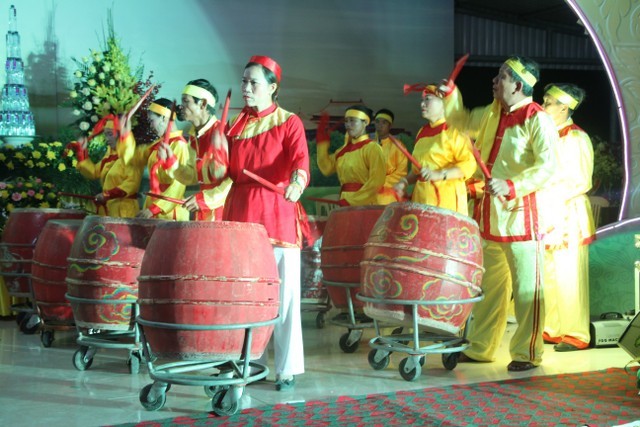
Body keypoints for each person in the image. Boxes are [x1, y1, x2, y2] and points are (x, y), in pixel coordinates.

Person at [447, 56, 558, 371]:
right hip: (491, 217)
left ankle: (527, 353)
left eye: (501, 77)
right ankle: (481, 347)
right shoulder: (492, 112)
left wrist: (511, 185)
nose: (494, 82)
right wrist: (451, 95)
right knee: (490, 289)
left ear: (518, 85)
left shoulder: (538, 119)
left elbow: (548, 167)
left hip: (522, 217)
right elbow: (461, 120)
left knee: (527, 292)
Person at [222, 55, 308, 391]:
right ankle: (246, 362)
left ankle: (286, 368)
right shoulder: (235, 125)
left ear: (272, 88)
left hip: (276, 215)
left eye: (253, 82)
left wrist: (297, 184)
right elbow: (224, 170)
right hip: (240, 215)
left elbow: (300, 161)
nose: (245, 88)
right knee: (244, 295)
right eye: (244, 81)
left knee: (283, 298)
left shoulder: (289, 122)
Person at [539, 83, 595, 351]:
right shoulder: (547, 136)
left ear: (564, 108)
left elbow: (582, 180)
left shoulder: (577, 138)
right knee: (549, 274)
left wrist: (550, 195)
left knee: (569, 275)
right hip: (547, 212)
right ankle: (553, 328)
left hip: (568, 213)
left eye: (548, 102)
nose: (543, 106)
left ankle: (576, 333)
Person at [393, 85, 476, 214]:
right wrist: (404, 182)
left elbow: (468, 165)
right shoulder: (422, 132)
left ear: (444, 103)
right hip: (421, 199)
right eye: (422, 100)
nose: (422, 104)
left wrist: (439, 174)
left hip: (446, 202)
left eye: (427, 99)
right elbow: (417, 171)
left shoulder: (455, 129)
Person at [119, 98, 190, 220]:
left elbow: (179, 185)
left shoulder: (180, 145)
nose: (151, 126)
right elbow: (132, 159)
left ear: (163, 118)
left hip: (169, 210)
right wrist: (125, 135)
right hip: (152, 204)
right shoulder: (157, 144)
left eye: (152, 121)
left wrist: (154, 209)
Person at [171, 79, 231, 220]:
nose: (181, 106)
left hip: (222, 210)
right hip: (203, 209)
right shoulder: (194, 137)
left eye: (186, 101)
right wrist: (171, 162)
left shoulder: (224, 132)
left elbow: (232, 181)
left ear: (203, 104)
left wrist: (205, 200)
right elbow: (192, 177)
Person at [74, 114, 142, 217]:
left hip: (124, 211)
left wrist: (107, 194)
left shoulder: (131, 156)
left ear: (120, 134)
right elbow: (93, 172)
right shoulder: (109, 156)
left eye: (110, 134)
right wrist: (82, 153)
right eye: (105, 135)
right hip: (109, 209)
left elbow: (132, 184)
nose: (107, 139)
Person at [316, 105, 385, 206]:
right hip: (344, 203)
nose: (348, 125)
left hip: (365, 206)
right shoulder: (342, 151)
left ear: (365, 122)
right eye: (346, 121)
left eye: (352, 120)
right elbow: (326, 169)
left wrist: (351, 201)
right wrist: (322, 143)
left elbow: (376, 183)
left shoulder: (373, 148)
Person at [373, 109, 408, 205]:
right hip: (370, 193)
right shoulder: (369, 146)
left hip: (389, 194)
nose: (380, 125)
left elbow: (401, 173)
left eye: (384, 123)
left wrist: (380, 183)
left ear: (390, 126)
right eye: (377, 122)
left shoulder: (398, 146)